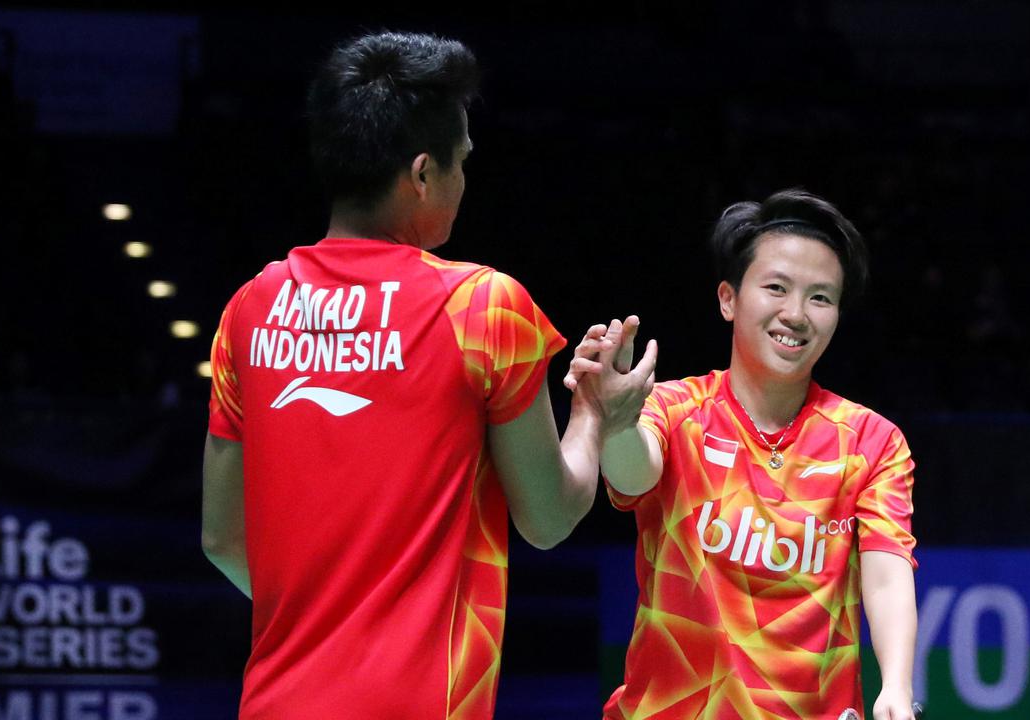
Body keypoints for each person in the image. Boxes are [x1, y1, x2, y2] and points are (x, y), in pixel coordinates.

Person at [200, 31, 654, 719]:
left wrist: (325, 633)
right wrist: (595, 415)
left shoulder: (249, 310)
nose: (465, 181)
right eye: (461, 163)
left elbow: (222, 539)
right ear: (421, 173)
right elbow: (550, 517)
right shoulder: (482, 308)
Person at [572, 189, 918, 720]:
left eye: (821, 298)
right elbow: (634, 474)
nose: (797, 314)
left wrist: (895, 683)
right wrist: (616, 426)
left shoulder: (871, 441)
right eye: (776, 288)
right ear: (728, 299)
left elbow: (888, 571)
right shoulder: (676, 409)